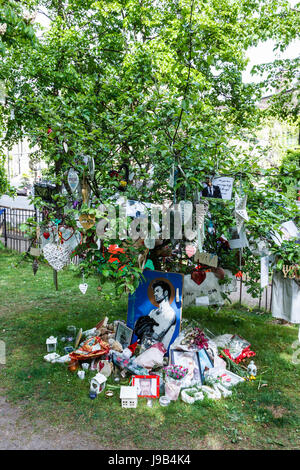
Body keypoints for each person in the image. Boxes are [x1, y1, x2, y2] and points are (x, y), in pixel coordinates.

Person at [134, 280, 176, 351]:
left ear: (165, 293)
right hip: (143, 348)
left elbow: (156, 335)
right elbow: (139, 329)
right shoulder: (153, 312)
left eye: (157, 291)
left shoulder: (169, 313)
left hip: (156, 352)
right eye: (154, 292)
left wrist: (145, 326)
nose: (155, 294)